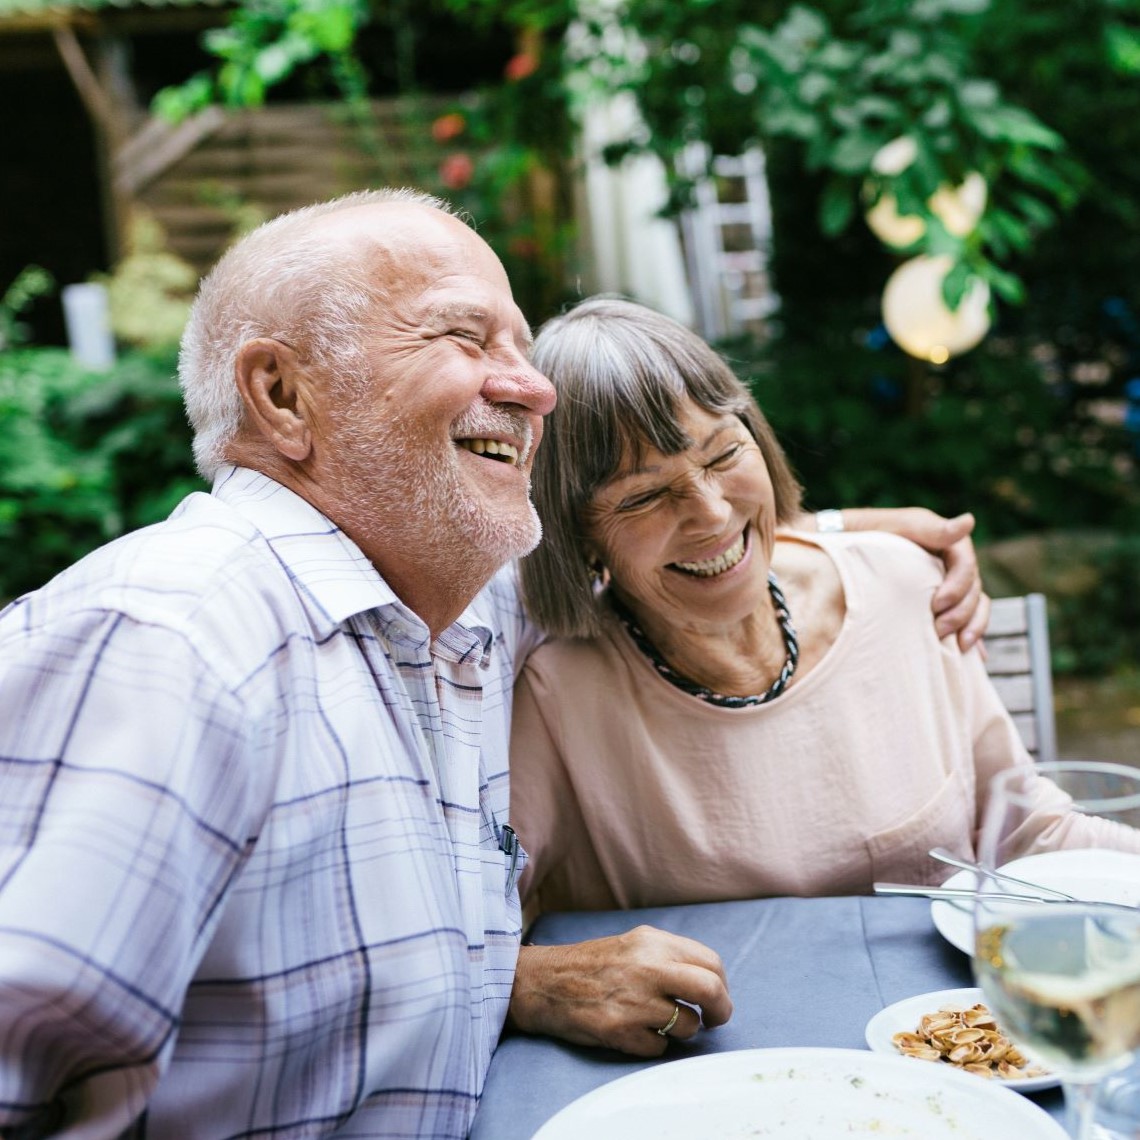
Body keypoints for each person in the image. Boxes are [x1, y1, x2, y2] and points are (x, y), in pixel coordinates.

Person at [0, 192, 985, 1137]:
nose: (535, 386)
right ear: (283, 394)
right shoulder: (173, 644)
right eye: (464, 339)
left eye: (520, 344)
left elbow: (660, 540)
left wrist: (847, 537)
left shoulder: (457, 612)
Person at [510, 296, 1140, 1044]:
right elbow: (482, 929)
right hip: (712, 1071)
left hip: (956, 1046)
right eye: (645, 496)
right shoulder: (555, 692)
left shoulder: (905, 587)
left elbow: (1026, 834)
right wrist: (534, 984)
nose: (711, 512)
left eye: (722, 454)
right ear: (578, 534)